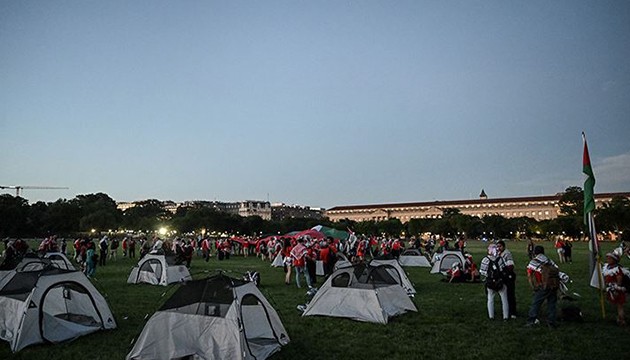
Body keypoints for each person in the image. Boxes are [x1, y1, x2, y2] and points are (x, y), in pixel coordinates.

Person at [525, 245, 559, 328]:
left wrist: (533, 286)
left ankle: (531, 320)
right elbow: (557, 269)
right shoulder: (549, 260)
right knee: (551, 304)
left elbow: (530, 274)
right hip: (553, 285)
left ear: (534, 252)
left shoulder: (533, 262)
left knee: (536, 303)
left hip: (542, 285)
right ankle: (551, 322)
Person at [480, 244, 509, 320]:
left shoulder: (485, 260)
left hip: (490, 282)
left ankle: (491, 316)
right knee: (504, 299)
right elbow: (503, 269)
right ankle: (505, 316)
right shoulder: (500, 259)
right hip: (500, 281)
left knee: (490, 299)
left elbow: (483, 272)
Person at [602, 252, 627, 326]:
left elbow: (619, 280)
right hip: (610, 288)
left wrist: (616, 289)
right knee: (617, 305)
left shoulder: (617, 269)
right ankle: (619, 318)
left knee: (620, 306)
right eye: (607, 258)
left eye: (610, 258)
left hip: (617, 290)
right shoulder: (608, 267)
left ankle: (622, 320)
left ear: (614, 260)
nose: (608, 259)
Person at [497, 240, 517, 318]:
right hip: (504, 275)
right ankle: (507, 310)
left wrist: (505, 272)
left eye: (500, 246)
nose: (498, 248)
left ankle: (513, 312)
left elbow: (510, 266)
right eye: (497, 246)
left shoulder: (507, 254)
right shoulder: (500, 254)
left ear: (504, 247)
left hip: (508, 276)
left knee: (510, 294)